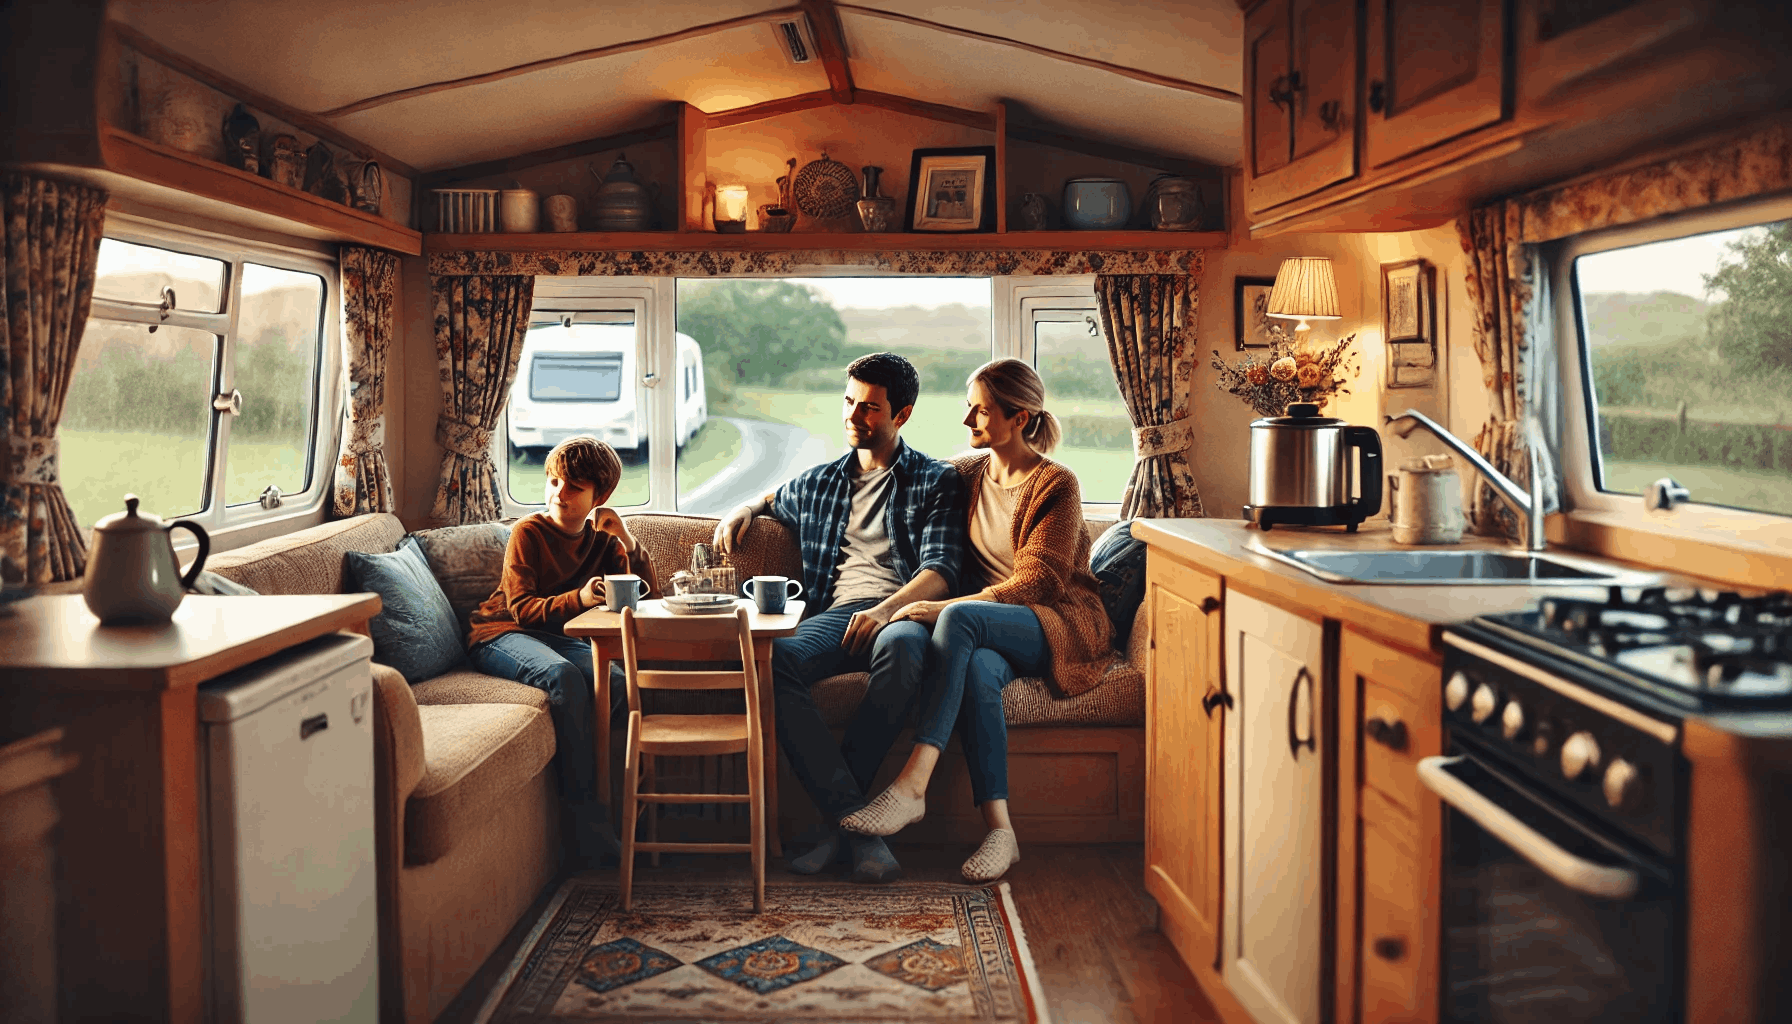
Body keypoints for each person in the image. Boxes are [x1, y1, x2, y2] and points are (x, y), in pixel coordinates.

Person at [840, 358, 1114, 882]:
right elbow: (886, 476)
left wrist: (944, 606)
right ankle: (1001, 832)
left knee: (959, 618)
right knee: (978, 672)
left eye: (981, 411)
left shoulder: (1057, 483)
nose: (968, 420)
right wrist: (762, 501)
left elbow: (1041, 582)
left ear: (1020, 418)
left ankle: (913, 785)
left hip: (1055, 622)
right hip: (990, 634)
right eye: (969, 408)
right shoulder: (965, 473)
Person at [713, 352, 966, 884]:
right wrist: (746, 508)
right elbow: (773, 498)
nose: (853, 415)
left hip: (905, 610)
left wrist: (885, 610)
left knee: (904, 649)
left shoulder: (936, 480)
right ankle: (856, 825)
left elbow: (941, 570)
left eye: (870, 407)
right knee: (772, 660)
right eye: (849, 401)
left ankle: (835, 829)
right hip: (837, 614)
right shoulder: (821, 482)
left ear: (902, 414)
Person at [466, 435, 655, 868]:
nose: (558, 493)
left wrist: (626, 540)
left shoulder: (604, 543)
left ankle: (630, 813)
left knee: (620, 687)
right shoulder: (528, 532)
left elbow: (646, 598)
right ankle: (586, 824)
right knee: (565, 678)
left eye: (573, 487)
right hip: (503, 632)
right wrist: (580, 598)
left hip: (559, 637)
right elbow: (522, 608)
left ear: (598, 497)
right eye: (554, 481)